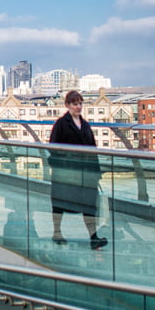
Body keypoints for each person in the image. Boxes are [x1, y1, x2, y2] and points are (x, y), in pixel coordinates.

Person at [49, 90, 107, 250]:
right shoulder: (60, 124)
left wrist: (96, 172)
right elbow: (53, 148)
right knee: (60, 204)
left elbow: (92, 150)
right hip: (66, 173)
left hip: (85, 174)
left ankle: (93, 237)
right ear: (67, 105)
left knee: (89, 205)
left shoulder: (86, 125)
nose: (79, 107)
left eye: (80, 103)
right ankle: (57, 233)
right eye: (75, 104)